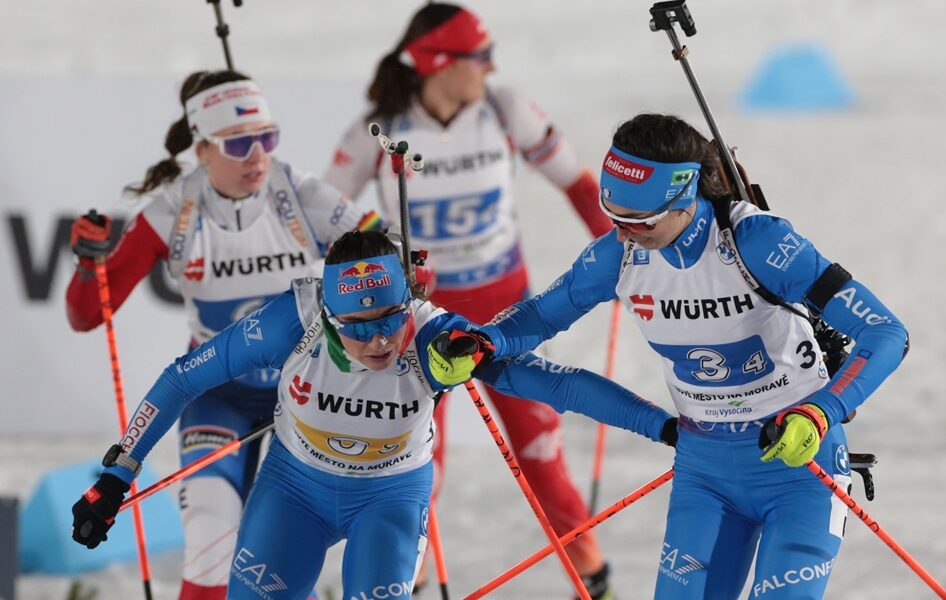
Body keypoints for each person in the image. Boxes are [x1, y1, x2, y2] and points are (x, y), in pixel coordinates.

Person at [434, 114, 910, 598]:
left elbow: (886, 332)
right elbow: (537, 319)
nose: (623, 233)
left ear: (684, 197)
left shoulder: (757, 243)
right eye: (614, 216)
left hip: (799, 468)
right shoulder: (617, 256)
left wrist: (819, 413)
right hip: (705, 475)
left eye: (639, 221)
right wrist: (483, 342)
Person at [70, 230, 674, 600]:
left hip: (388, 498)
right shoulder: (295, 319)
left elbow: (556, 385)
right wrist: (116, 475)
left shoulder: (435, 339)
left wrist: (664, 427)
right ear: (330, 314)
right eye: (357, 327)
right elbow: (184, 378)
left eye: (389, 316)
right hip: (295, 491)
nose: (380, 340)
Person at [324, 4, 616, 596]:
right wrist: (381, 251)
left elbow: (582, 187)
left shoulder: (506, 109)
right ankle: (406, 581)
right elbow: (324, 216)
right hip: (420, 322)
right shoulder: (378, 131)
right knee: (414, 466)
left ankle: (594, 579)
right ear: (438, 63)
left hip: (510, 316)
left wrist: (629, 260)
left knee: (541, 455)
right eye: (478, 57)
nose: (491, 66)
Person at [65, 70, 381, 600]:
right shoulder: (170, 211)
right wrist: (86, 264)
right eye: (239, 143)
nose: (257, 155)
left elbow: (389, 266)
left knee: (277, 562)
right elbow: (87, 315)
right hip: (218, 396)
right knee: (210, 544)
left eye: (267, 137)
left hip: (304, 398)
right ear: (203, 147)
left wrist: (402, 262)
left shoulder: (301, 192)